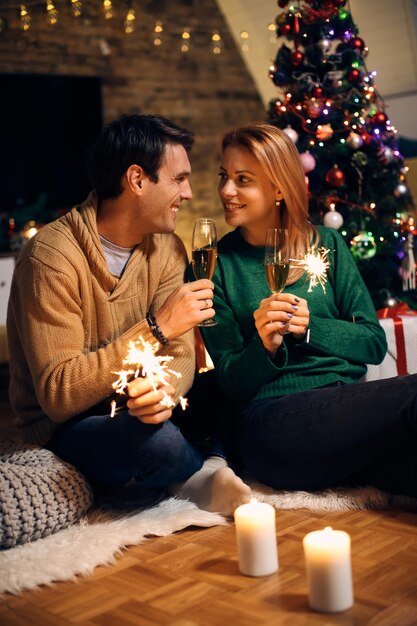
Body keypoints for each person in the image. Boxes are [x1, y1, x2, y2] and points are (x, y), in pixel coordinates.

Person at [6, 114, 251, 515]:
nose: (188, 193)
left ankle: (203, 467)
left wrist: (163, 394)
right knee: (151, 440)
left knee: (233, 385)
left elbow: (182, 354)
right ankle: (198, 469)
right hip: (73, 425)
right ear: (137, 180)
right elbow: (59, 393)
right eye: (178, 179)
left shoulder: (166, 248)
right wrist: (155, 328)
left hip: (138, 407)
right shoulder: (51, 257)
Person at [201, 121, 417, 499]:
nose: (226, 191)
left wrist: (310, 327)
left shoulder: (328, 244)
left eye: (242, 179)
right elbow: (231, 382)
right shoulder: (216, 265)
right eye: (225, 176)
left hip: (346, 414)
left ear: (280, 187)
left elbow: (371, 343)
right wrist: (264, 347)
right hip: (272, 424)